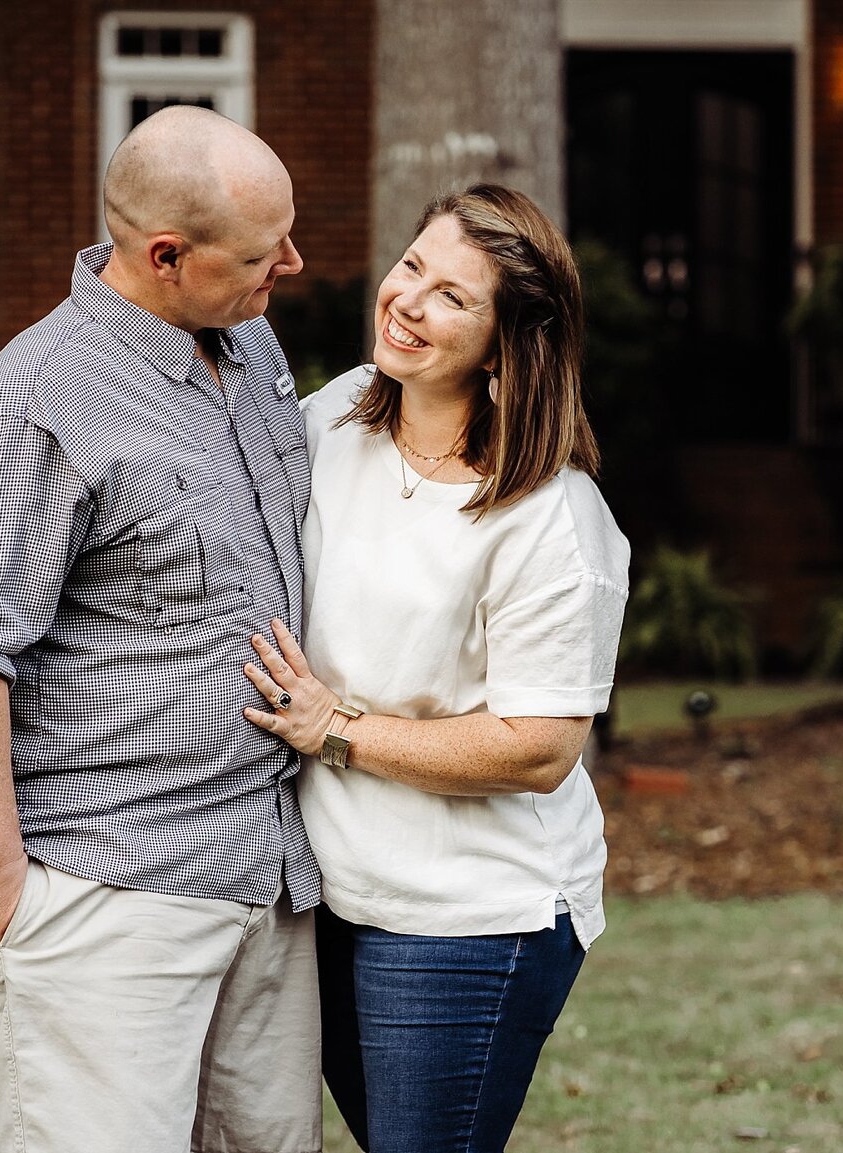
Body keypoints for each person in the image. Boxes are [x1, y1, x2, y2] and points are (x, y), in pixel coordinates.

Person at [0, 105, 321, 1153]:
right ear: (166, 255)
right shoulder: (34, 406)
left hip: (267, 882)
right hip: (108, 897)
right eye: (266, 253)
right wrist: (0, 885)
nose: (296, 266)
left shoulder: (250, 342)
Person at [239, 184, 630, 1152]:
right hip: (329, 894)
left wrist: (337, 728)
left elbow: (538, 745)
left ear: (506, 343)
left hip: (469, 914)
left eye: (453, 296)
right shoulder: (334, 420)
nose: (408, 301)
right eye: (411, 267)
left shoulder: (548, 516)